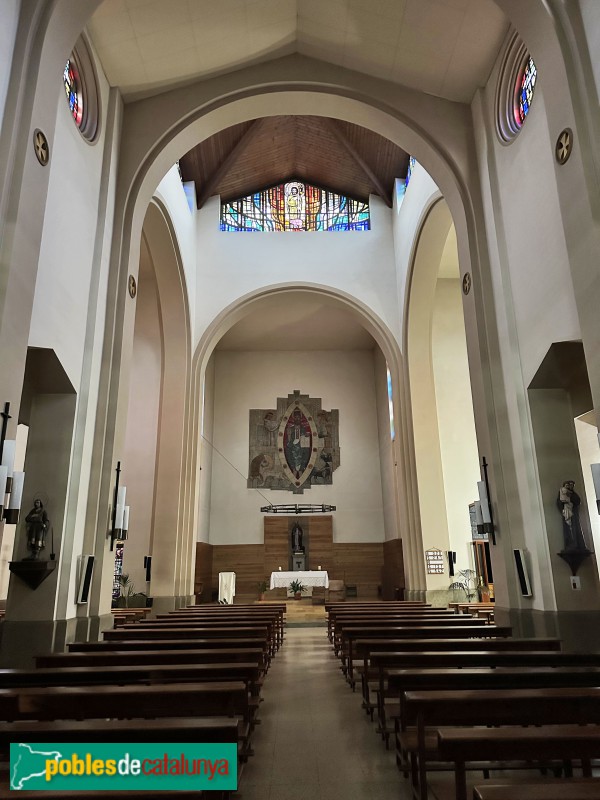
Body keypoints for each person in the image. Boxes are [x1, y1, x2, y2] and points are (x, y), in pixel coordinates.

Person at [556, 480, 587, 551]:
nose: (570, 486)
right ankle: (570, 544)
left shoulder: (573, 494)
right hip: (566, 513)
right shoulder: (562, 493)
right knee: (568, 529)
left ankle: (578, 544)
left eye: (572, 485)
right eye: (569, 485)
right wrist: (563, 508)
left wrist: (571, 498)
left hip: (574, 515)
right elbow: (559, 502)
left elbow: (578, 501)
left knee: (576, 529)